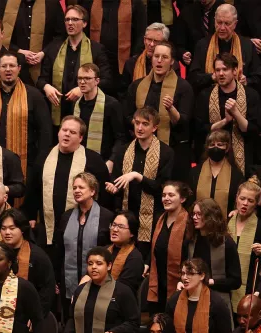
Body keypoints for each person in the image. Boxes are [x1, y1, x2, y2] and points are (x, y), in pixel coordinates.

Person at [26, 116, 109, 253]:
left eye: (72, 132)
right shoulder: (43, 157)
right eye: (64, 130)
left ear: (81, 138)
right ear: (58, 132)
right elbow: (33, 189)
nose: (67, 134)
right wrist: (30, 215)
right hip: (48, 228)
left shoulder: (94, 160)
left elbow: (104, 197)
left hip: (83, 228)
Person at [0, 51, 51, 179]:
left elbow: (45, 132)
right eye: (4, 66)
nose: (8, 70)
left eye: (12, 66)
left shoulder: (34, 96)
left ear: (19, 69)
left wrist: (39, 164)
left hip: (26, 164)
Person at [107, 108, 174, 254]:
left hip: (153, 218)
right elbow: (117, 182)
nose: (139, 128)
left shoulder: (166, 153)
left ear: (154, 128)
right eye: (137, 123)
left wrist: (138, 177)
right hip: (127, 216)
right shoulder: (123, 151)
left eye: (145, 124)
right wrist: (114, 188)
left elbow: (163, 188)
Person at [123, 42, 194, 177]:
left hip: (173, 150)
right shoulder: (137, 86)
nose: (159, 61)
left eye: (164, 57)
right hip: (141, 148)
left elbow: (184, 122)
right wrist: (143, 126)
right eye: (156, 56)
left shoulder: (183, 87)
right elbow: (127, 116)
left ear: (172, 61)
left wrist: (171, 109)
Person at [36, 5, 113, 128]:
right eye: (67, 20)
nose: (70, 23)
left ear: (85, 23)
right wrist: (46, 87)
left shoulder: (96, 49)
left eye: (75, 20)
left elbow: (107, 81)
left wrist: (83, 89)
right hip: (58, 111)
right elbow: (41, 79)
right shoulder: (55, 48)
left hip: (86, 110)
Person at [0, 208, 56, 316]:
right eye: (3, 228)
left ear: (22, 229)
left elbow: (47, 289)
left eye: (12, 228)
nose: (7, 232)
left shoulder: (37, 255)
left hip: (26, 313)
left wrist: (37, 315)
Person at [194, 52, 260, 176]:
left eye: (225, 69)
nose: (221, 74)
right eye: (218, 70)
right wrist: (225, 121)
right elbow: (200, 129)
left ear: (235, 71)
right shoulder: (205, 95)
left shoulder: (251, 95)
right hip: (213, 154)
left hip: (244, 157)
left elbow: (254, 130)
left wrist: (236, 114)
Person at [56, 172, 113, 304]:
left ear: (92, 191)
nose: (76, 191)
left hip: (98, 279)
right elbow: (59, 250)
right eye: (74, 188)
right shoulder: (66, 217)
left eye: (81, 187)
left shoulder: (106, 217)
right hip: (69, 279)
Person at [188, 4, 261, 95]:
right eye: (219, 22)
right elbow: (193, 78)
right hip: (209, 97)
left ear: (235, 24)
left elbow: (258, 77)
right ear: (214, 21)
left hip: (241, 96)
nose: (222, 28)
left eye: (227, 23)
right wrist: (212, 77)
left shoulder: (247, 45)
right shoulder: (202, 45)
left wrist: (247, 81)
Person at [184, 198, 242, 307]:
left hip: (217, 301)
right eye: (193, 214)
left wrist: (210, 282)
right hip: (193, 297)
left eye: (199, 214)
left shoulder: (227, 243)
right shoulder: (191, 241)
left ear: (211, 217)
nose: (194, 218)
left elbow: (236, 281)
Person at [147, 181, 191, 315]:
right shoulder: (159, 219)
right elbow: (154, 247)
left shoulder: (189, 222)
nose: (166, 198)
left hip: (179, 280)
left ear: (182, 199)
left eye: (171, 195)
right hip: (158, 278)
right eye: (164, 195)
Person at [73, 62, 126, 170]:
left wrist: (111, 161)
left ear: (97, 81)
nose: (82, 82)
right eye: (80, 78)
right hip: (78, 161)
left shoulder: (111, 104)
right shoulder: (76, 104)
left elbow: (121, 138)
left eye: (87, 78)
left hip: (104, 162)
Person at [0, 0, 65, 83]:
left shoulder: (52, 4)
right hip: (13, 63)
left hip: (44, 66)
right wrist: (18, 51)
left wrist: (44, 53)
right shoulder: (6, 3)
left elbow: (61, 36)